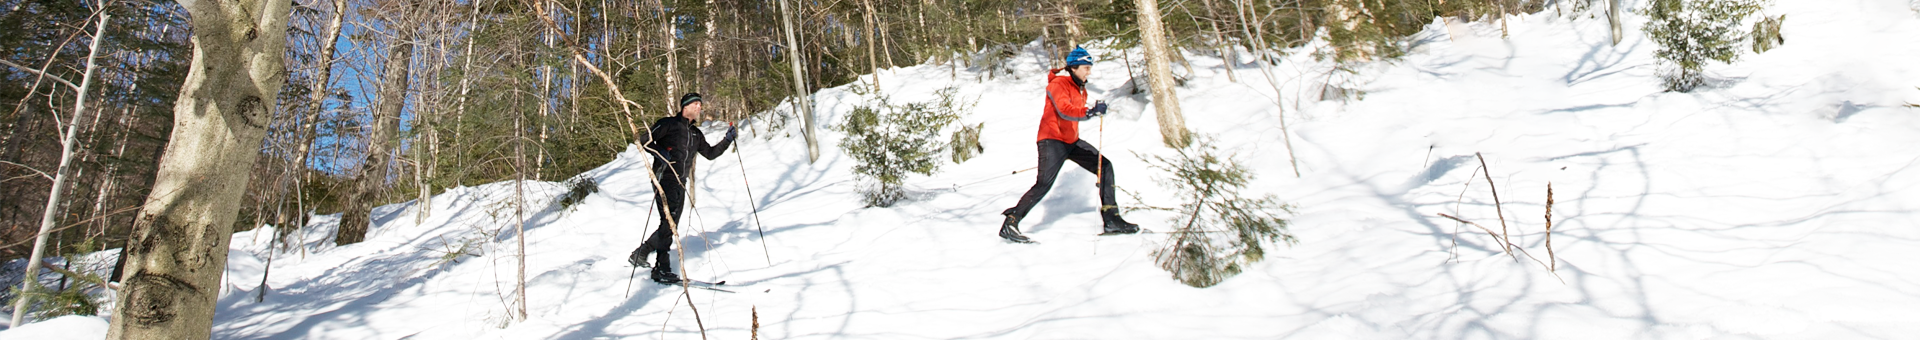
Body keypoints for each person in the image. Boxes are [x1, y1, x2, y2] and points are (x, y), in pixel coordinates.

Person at [998, 46, 1139, 243]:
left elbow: (1075, 112)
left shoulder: (1081, 89)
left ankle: (1112, 219)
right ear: (1073, 68)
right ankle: (1011, 222)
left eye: (1089, 67)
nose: (1088, 71)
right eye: (1085, 67)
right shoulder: (1059, 84)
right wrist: (1089, 112)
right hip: (1052, 140)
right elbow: (1064, 111)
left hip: (1071, 141)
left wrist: (1094, 111)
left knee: (1104, 166)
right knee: (1044, 184)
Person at [629, 93, 737, 283]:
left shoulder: (696, 134)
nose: (699, 108)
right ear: (685, 106)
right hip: (664, 178)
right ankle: (661, 268)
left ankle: (642, 252)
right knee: (669, 223)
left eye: (700, 105)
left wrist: (727, 140)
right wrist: (662, 153)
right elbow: (645, 139)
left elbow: (710, 154)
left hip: (681, 181)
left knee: (671, 225)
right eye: (695, 104)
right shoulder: (668, 124)